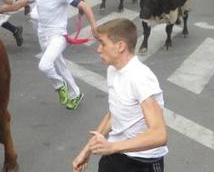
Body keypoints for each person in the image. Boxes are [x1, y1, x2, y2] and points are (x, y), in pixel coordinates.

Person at [0, 0, 98, 109]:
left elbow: (84, 5)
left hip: (58, 36)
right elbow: (18, 5)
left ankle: (59, 85)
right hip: (42, 35)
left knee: (44, 65)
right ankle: (76, 93)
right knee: (60, 66)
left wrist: (93, 26)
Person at [72, 18, 168, 172]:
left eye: (103, 43)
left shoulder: (140, 78)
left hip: (142, 163)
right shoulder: (113, 69)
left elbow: (159, 134)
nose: (98, 49)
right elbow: (114, 113)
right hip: (115, 155)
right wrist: (87, 150)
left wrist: (113, 146)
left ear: (120, 46)